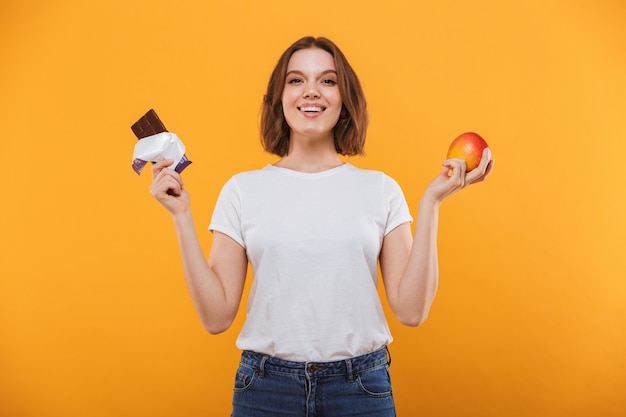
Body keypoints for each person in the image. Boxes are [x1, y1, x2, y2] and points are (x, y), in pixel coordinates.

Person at [149, 36, 494, 417]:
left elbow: (412, 311)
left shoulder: (380, 189)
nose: (311, 91)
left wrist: (432, 202)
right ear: (279, 98)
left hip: (360, 390)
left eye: (327, 81)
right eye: (296, 80)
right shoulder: (242, 190)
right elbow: (216, 318)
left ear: (344, 98)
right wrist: (181, 216)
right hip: (265, 391)